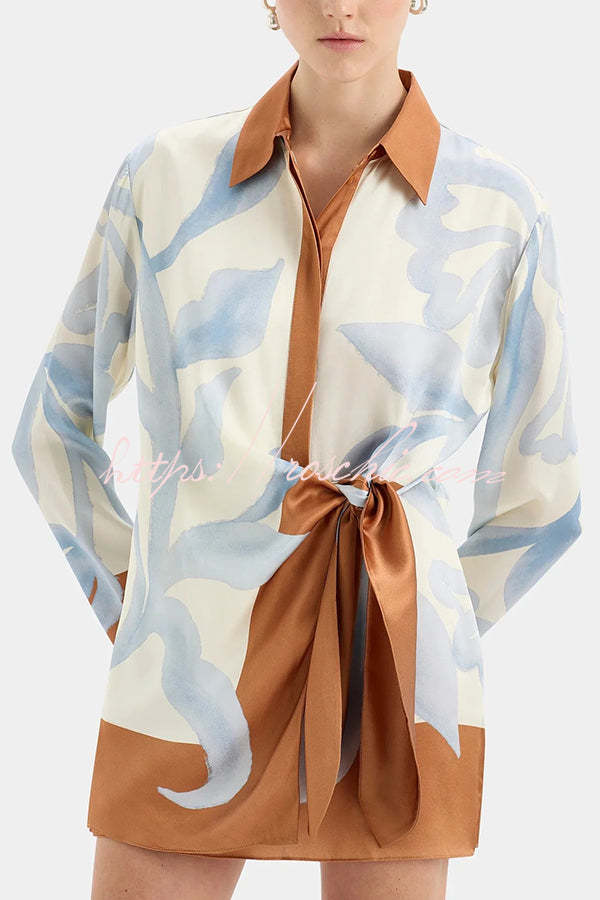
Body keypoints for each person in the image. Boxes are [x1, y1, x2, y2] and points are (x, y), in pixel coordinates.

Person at [11, 2, 583, 899]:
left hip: (396, 688)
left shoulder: (500, 206)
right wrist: (146, 608)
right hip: (191, 676)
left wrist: (424, 629)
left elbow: (544, 495)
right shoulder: (164, 176)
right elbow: (53, 425)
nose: (340, 6)